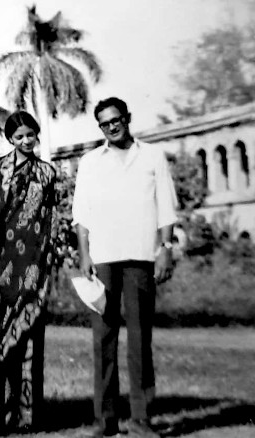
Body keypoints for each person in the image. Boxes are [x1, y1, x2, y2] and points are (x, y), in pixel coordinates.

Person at [72, 97, 178, 438]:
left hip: (141, 257)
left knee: (139, 340)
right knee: (103, 339)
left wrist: (166, 249)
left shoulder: (152, 156)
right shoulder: (90, 162)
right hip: (102, 259)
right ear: (100, 127)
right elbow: (81, 214)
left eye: (116, 120)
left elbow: (166, 206)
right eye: (104, 123)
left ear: (127, 118)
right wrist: (84, 255)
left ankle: (141, 419)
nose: (111, 127)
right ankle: (106, 421)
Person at [0, 111, 59, 434]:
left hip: (32, 267)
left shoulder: (48, 173)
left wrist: (45, 265)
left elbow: (50, 220)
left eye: (30, 135)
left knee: (27, 341)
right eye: (19, 136)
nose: (26, 140)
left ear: (36, 135)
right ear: (10, 139)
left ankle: (26, 416)